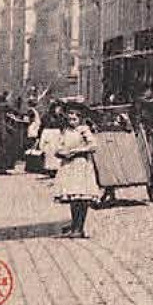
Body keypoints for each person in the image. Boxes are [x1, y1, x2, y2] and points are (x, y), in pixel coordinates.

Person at [52, 101, 101, 239]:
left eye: (75, 119)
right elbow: (58, 147)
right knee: (73, 197)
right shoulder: (66, 131)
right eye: (70, 119)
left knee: (82, 197)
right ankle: (74, 226)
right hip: (68, 167)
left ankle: (80, 227)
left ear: (80, 119)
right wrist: (61, 153)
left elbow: (93, 146)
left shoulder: (84, 130)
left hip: (81, 165)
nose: (72, 121)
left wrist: (77, 151)